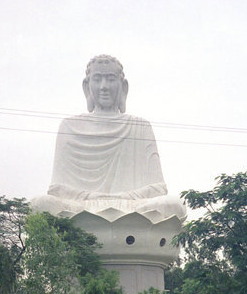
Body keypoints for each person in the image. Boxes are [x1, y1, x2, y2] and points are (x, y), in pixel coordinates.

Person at [35, 54, 185, 221]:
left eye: (111, 79)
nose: (104, 86)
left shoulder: (140, 127)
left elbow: (158, 188)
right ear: (86, 86)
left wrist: (124, 199)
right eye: (97, 79)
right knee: (41, 205)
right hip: (80, 208)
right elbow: (58, 189)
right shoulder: (69, 126)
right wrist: (91, 198)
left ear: (123, 86)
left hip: (133, 207)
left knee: (172, 205)